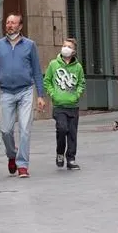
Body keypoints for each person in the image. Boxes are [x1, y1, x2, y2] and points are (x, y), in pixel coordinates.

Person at [0, 13, 46, 179]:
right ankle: (12, 155)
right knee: (5, 130)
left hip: (26, 90)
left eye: (13, 23)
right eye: (7, 22)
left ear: (20, 26)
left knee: (25, 129)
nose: (10, 25)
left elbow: (36, 71)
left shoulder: (30, 45)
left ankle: (23, 165)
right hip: (6, 93)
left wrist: (40, 95)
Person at [43, 38, 85, 170]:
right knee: (62, 129)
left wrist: (77, 94)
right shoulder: (53, 64)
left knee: (72, 133)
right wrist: (53, 94)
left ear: (74, 51)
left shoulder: (78, 67)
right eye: (64, 45)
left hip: (73, 105)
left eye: (69, 46)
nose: (66, 48)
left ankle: (71, 158)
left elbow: (81, 83)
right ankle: (60, 152)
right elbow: (47, 81)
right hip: (59, 105)